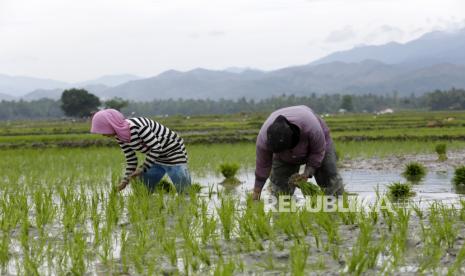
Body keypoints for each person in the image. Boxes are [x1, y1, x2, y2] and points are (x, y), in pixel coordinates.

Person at [252, 105, 343, 200]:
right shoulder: (264, 140)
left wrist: (307, 173)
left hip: (320, 147)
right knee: (280, 190)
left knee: (329, 179)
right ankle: (282, 213)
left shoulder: (311, 128)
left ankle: (338, 209)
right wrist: (256, 193)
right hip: (283, 158)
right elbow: (262, 166)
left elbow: (317, 152)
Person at [90, 109, 191, 192]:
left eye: (104, 130)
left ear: (112, 125)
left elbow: (156, 148)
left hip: (173, 154)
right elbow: (131, 159)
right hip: (154, 158)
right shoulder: (120, 136)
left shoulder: (138, 127)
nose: (103, 134)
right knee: (142, 190)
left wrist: (142, 168)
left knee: (185, 192)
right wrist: (124, 181)